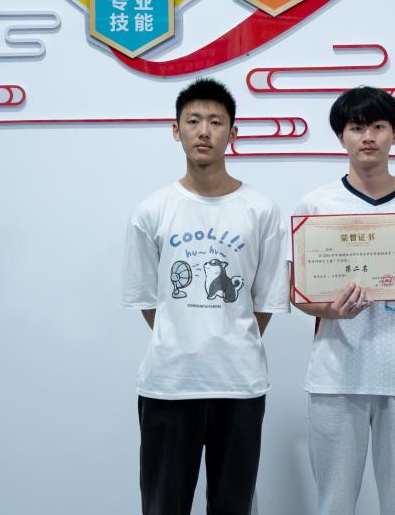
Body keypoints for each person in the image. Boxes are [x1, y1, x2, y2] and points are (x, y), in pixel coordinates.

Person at [121, 78, 290, 515]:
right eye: (193, 120)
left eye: (216, 122)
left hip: (239, 384)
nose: (203, 131)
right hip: (168, 384)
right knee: (163, 505)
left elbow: (264, 301)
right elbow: (148, 300)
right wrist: (185, 335)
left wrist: (228, 335)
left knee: (232, 506)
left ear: (233, 133)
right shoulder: (152, 209)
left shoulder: (261, 210)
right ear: (175, 130)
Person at [292, 86, 395, 515]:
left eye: (379, 127)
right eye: (356, 127)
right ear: (341, 137)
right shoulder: (317, 203)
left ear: (394, 135)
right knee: (333, 502)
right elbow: (299, 292)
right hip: (335, 374)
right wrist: (329, 310)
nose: (368, 137)